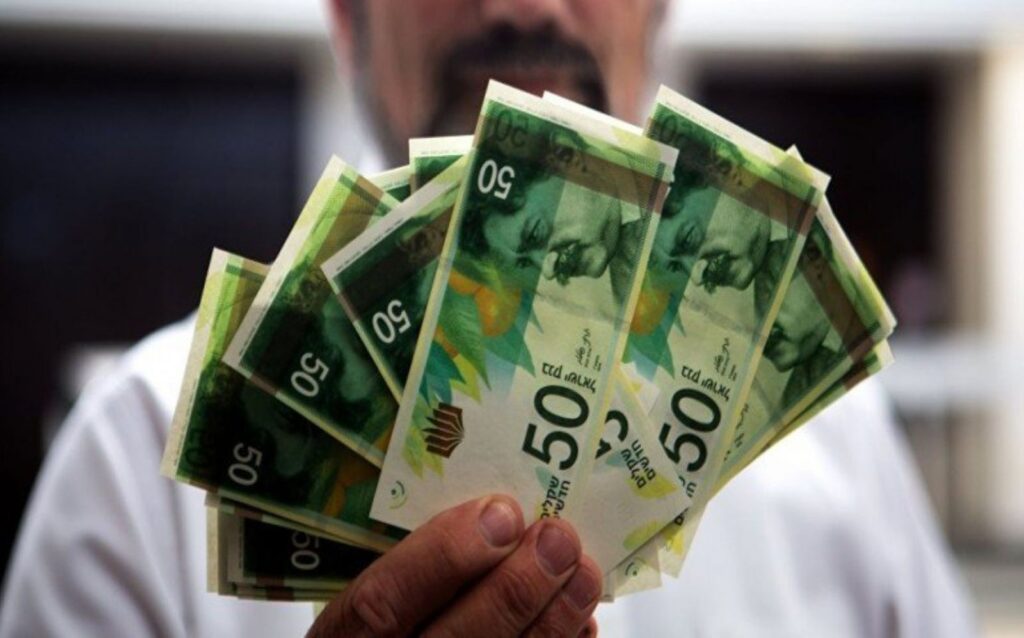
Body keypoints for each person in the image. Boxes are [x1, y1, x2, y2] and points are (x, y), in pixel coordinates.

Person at [0, 1, 975, 636]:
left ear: (659, 12)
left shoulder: (839, 444)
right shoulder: (135, 454)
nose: (522, 6)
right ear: (346, 18)